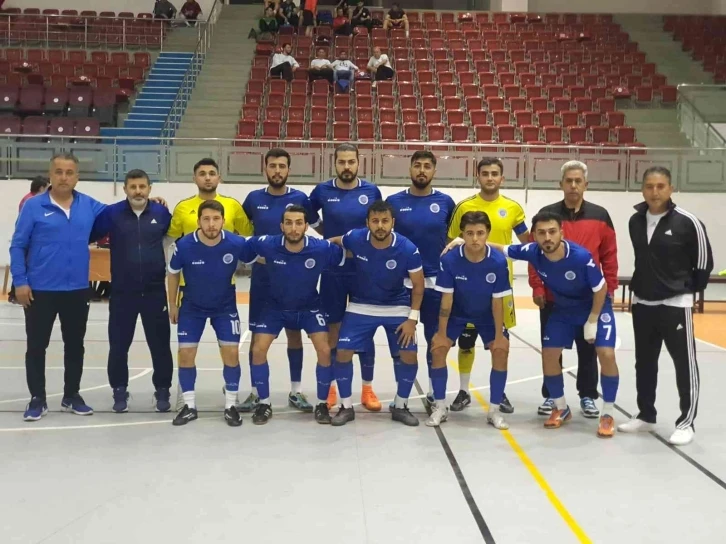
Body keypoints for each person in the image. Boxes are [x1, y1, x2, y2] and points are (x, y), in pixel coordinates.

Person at [452, 211, 620, 437]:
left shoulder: (581, 257)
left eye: (552, 232)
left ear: (561, 233)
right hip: (563, 310)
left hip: (595, 308)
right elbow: (503, 248)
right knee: (549, 355)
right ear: (535, 236)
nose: (547, 237)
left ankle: (607, 413)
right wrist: (463, 241)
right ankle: (561, 408)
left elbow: (600, 289)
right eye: (541, 233)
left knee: (606, 354)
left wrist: (592, 320)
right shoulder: (532, 251)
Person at [618, 166, 713, 446]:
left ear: (671, 189)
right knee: (644, 363)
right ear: (642, 189)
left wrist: (683, 290)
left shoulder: (688, 222)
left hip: (675, 304)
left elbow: (704, 263)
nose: (655, 192)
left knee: (684, 364)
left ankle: (686, 423)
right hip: (643, 303)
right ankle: (646, 415)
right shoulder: (635, 221)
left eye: (660, 186)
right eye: (649, 186)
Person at [10, 154, 106, 421]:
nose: (64, 177)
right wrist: (20, 281)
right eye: (59, 172)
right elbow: (18, 245)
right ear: (51, 175)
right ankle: (37, 399)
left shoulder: (89, 205)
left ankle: (71, 395)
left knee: (75, 345)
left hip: (77, 289)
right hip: (40, 290)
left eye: (69, 172)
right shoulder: (33, 206)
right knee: (36, 346)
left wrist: (152, 202)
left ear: (77, 177)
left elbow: (119, 213)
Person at [529, 160, 618, 419]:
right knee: (551, 349)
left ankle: (587, 395)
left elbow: (609, 254)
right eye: (569, 181)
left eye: (578, 181)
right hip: (554, 297)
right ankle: (552, 395)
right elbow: (534, 253)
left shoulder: (600, 215)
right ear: (561, 184)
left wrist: (610, 287)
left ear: (586, 185)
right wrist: (537, 286)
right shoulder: (547, 214)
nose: (573, 186)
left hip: (589, 298)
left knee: (588, 347)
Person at [327, 200, 425, 427]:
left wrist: (412, 319)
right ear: (367, 223)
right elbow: (335, 241)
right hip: (361, 305)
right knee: (343, 351)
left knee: (409, 355)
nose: (380, 226)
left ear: (393, 222)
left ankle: (400, 405)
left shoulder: (408, 248)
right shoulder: (355, 237)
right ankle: (346, 406)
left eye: (385, 221)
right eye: (375, 221)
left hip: (397, 306)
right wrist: (313, 249)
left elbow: (418, 285)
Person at [245, 205, 346, 425]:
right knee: (258, 349)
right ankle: (264, 403)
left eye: (299, 223)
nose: (293, 228)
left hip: (309, 308)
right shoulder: (268, 244)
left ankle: (321, 404)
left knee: (324, 350)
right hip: (274, 307)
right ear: (281, 226)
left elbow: (347, 254)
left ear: (306, 226)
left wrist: (350, 240)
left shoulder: (320, 248)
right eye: (289, 223)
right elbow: (240, 246)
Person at [238, 148, 320, 413]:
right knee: (257, 339)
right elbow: (241, 232)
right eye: (272, 166)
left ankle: (296, 391)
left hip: (294, 281)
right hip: (263, 281)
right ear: (265, 169)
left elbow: (317, 228)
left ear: (288, 170)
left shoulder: (300, 198)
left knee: (294, 334)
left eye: (281, 166)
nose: (277, 171)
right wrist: (256, 257)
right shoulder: (253, 199)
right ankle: (255, 393)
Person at [446, 158, 529, 414]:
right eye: (485, 173)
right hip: (467, 289)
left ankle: (498, 392)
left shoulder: (513, 208)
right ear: (478, 177)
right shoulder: (464, 207)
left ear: (502, 178)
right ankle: (463, 391)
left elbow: (527, 245)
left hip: (500, 289)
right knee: (466, 342)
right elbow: (451, 244)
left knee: (499, 343)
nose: (490, 178)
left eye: (494, 173)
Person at [90, 169, 174, 414]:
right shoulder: (112, 213)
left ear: (150, 189)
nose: (138, 191)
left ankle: (162, 390)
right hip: (122, 292)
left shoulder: (161, 213)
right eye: (133, 187)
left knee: (160, 345)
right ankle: (119, 390)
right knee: (118, 345)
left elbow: (174, 238)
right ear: (125, 189)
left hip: (154, 291)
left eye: (142, 187)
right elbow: (88, 234)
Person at [168, 200, 258, 427]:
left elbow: (262, 258)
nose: (211, 224)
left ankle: (230, 406)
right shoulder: (184, 245)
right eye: (206, 219)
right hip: (191, 308)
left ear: (223, 221)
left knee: (231, 354)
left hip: (224, 308)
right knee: (186, 354)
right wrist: (172, 304)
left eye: (216, 219)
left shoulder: (236, 243)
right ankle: (189, 406)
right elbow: (173, 273)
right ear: (198, 221)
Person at [309, 143, 383, 410]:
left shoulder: (371, 191)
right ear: (335, 163)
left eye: (351, 161)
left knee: (365, 329)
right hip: (333, 271)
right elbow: (310, 217)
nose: (347, 166)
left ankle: (367, 389)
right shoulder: (322, 191)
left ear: (359, 163)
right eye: (342, 162)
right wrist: (329, 236)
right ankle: (331, 388)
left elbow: (378, 224)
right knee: (333, 330)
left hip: (365, 270)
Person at [429, 211, 511, 429]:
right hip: (457, 312)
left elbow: (498, 302)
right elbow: (446, 300)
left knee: (501, 350)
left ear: (488, 233)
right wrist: (442, 334)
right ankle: (440, 407)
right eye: (470, 233)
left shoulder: (498, 261)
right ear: (462, 235)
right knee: (438, 349)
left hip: (487, 314)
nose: (475, 238)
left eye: (480, 233)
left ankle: (494, 411)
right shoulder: (449, 259)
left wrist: (499, 336)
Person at [386, 151, 455, 407]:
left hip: (436, 284)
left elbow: (453, 240)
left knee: (435, 340)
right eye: (417, 165)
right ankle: (401, 397)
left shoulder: (446, 202)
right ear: (410, 169)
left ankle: (434, 393)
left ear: (435, 171)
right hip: (402, 284)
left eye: (427, 166)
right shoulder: (393, 201)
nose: (422, 170)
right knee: (403, 342)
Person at [167, 158, 252, 243]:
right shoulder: (182, 207)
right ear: (194, 179)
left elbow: (249, 234)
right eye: (202, 174)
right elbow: (169, 239)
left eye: (212, 174)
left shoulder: (233, 205)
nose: (207, 178)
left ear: (218, 178)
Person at [10, 176, 50, 303]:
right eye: (47, 188)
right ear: (41, 188)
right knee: (23, 266)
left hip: (28, 239)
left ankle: (14, 294)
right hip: (28, 240)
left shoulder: (28, 198)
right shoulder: (31, 201)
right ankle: (14, 294)